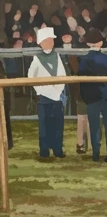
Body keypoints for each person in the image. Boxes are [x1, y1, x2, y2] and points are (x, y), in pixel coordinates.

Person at [77, 29, 107, 163]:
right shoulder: (105, 59)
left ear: (88, 43)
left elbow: (81, 79)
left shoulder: (84, 60)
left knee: (94, 126)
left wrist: (85, 95)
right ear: (100, 43)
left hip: (91, 98)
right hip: (106, 97)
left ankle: (95, 153)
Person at [27, 25, 68, 160]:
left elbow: (62, 74)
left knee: (58, 124)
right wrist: (40, 90)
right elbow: (30, 77)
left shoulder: (57, 56)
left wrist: (59, 89)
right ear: (42, 42)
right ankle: (44, 150)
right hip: (44, 97)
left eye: (52, 40)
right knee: (44, 125)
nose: (51, 42)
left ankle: (57, 149)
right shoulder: (37, 58)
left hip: (57, 97)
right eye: (49, 39)